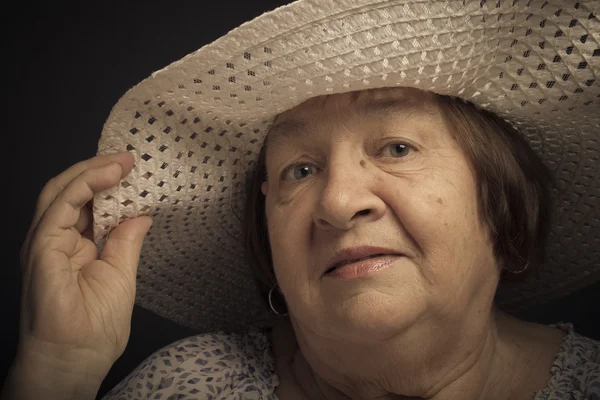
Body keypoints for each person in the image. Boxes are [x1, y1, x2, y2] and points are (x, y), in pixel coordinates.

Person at [3, 0, 599, 399]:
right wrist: (59, 369)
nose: (337, 202)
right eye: (301, 169)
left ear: (501, 200)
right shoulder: (187, 387)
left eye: (395, 148)